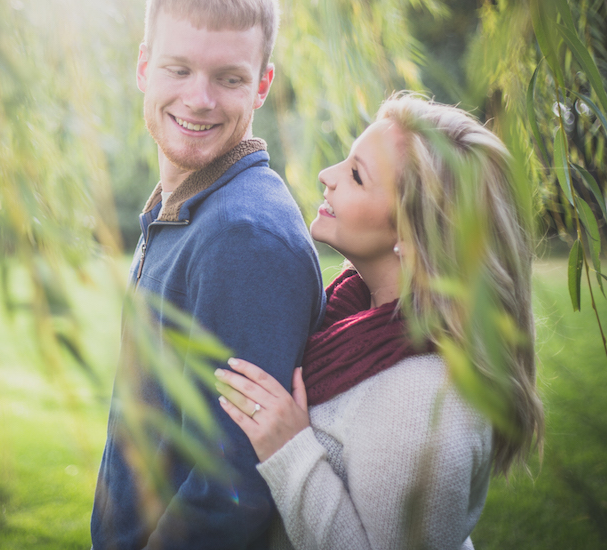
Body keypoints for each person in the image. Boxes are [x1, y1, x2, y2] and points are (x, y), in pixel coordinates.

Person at [216, 93, 544, 549]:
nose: (326, 176)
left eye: (356, 175)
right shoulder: (350, 315)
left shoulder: (424, 404)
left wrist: (289, 452)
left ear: (413, 233)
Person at [91, 0, 327, 549]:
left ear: (262, 85)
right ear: (143, 67)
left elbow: (232, 486)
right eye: (178, 69)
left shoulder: (244, 236)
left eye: (229, 78)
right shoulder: (187, 210)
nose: (199, 99)